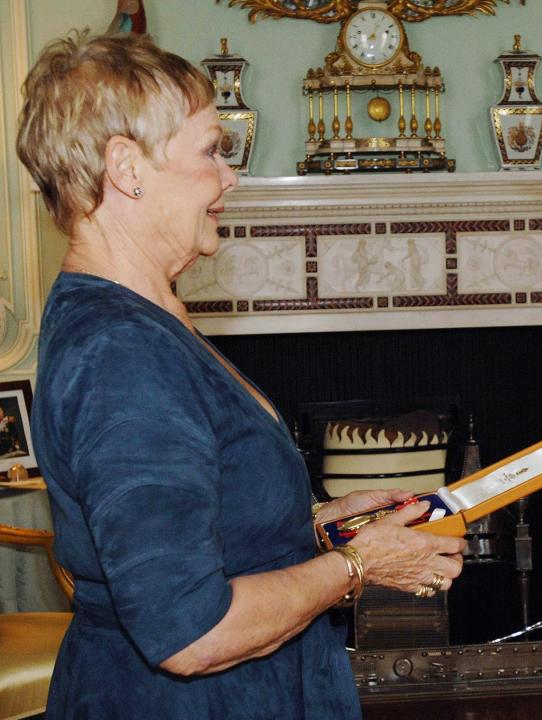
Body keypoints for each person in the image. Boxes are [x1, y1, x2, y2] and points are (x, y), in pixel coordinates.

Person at [17, 31, 465, 719]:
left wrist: (316, 522)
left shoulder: (146, 319)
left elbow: (195, 514)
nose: (229, 176)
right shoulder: (123, 355)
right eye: (209, 151)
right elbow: (191, 632)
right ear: (126, 167)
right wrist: (357, 567)